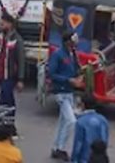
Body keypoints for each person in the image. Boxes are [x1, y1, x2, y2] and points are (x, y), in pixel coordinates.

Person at [48, 31, 82, 161]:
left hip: (70, 92)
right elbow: (52, 74)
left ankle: (56, 147)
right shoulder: (58, 55)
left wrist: (79, 75)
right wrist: (68, 80)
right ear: (67, 41)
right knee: (71, 121)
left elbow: (75, 69)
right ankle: (61, 148)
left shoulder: (72, 54)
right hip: (61, 92)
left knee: (62, 122)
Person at [0, 11, 24, 110]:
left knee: (7, 98)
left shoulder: (17, 39)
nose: (0, 26)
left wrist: (20, 79)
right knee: (3, 97)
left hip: (10, 74)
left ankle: (10, 118)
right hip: (0, 72)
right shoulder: (0, 36)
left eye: (2, 24)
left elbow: (21, 60)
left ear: (9, 24)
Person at [71, 95, 109, 163]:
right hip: (101, 158)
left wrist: (74, 159)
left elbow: (78, 144)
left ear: (83, 105)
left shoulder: (81, 122)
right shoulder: (103, 120)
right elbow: (105, 139)